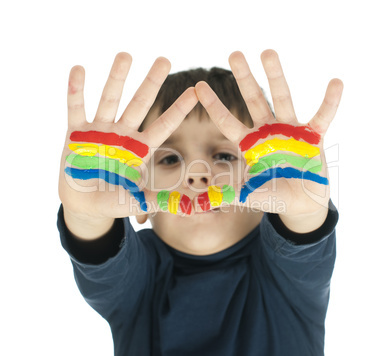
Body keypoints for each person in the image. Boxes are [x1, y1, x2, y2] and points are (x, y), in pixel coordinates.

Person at [57, 50, 343, 355]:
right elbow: (101, 256)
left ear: (270, 184)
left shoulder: (285, 273)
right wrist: (86, 214)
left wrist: (304, 209)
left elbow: (303, 238)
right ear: (137, 196)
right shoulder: (138, 279)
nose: (197, 175)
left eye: (223, 156)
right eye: (169, 159)